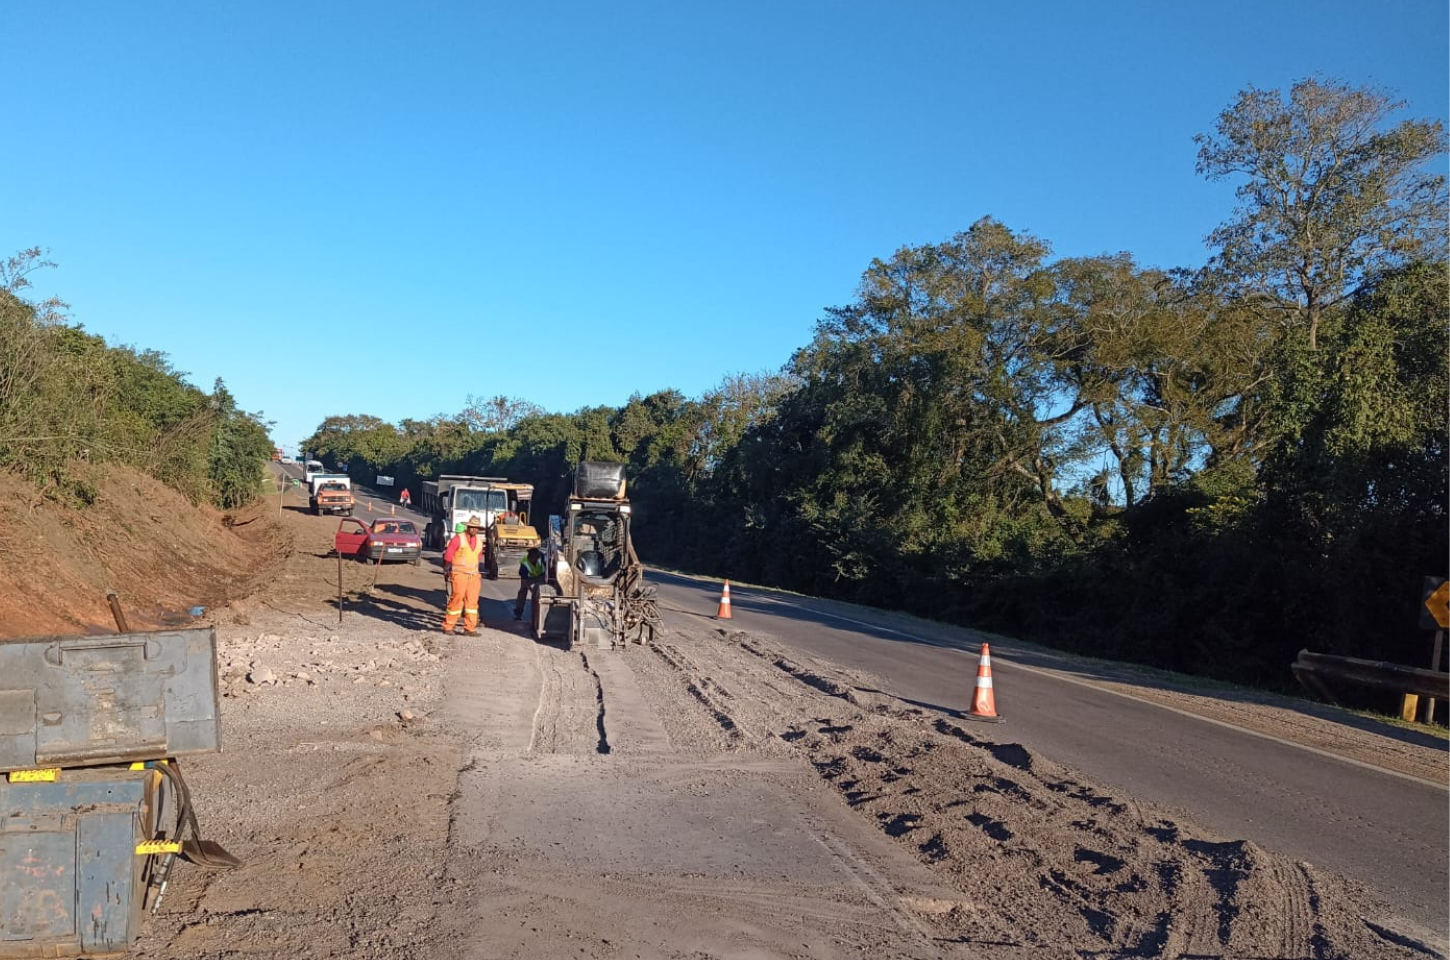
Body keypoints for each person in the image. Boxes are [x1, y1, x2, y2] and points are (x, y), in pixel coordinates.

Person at [441, 515, 486, 636]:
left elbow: (478, 557)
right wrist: (446, 568)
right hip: (459, 574)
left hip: (473, 576)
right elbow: (448, 555)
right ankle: (448, 626)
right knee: (457, 599)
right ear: (468, 527)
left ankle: (470, 628)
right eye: (472, 527)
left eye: (476, 528)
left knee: (472, 602)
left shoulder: (479, 542)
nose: (474, 530)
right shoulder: (458, 539)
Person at [514, 547, 547, 621]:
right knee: (522, 591)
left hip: (541, 576)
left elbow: (547, 568)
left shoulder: (541, 557)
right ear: (532, 557)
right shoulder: (524, 564)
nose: (538, 556)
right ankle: (518, 611)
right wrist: (532, 591)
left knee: (542, 590)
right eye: (536, 556)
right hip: (529, 579)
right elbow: (524, 581)